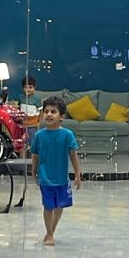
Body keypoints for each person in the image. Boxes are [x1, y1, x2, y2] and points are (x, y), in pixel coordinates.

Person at [31, 97, 82, 246]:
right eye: (46, 111)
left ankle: (50, 231)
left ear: (61, 116)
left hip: (62, 178)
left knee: (59, 207)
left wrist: (77, 174)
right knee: (48, 207)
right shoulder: (39, 135)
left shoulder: (67, 135)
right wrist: (33, 171)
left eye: (53, 112)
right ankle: (50, 234)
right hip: (45, 177)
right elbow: (35, 155)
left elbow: (73, 155)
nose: (49, 114)